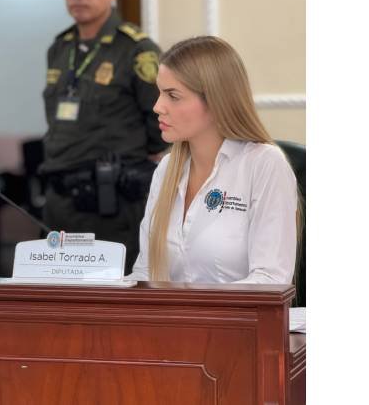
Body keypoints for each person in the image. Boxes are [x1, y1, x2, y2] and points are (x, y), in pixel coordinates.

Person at [127, 36, 300, 283]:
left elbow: (270, 281)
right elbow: (146, 274)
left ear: (216, 100)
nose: (157, 106)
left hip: (237, 322)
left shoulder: (264, 164)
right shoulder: (166, 169)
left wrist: (196, 309)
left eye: (173, 96)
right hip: (175, 321)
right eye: (159, 93)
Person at [39, 0, 168, 274]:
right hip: (60, 200)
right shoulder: (60, 48)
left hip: (110, 202)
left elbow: (158, 120)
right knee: (57, 299)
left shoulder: (137, 50)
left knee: (110, 300)